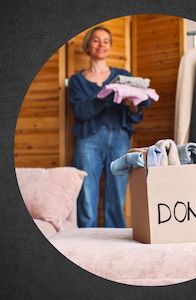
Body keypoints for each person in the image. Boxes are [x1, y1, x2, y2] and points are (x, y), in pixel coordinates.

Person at [68, 26, 151, 228]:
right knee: (87, 193)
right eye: (96, 40)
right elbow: (82, 112)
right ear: (88, 45)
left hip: (120, 139)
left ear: (110, 46)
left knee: (118, 192)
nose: (101, 44)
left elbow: (136, 115)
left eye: (106, 41)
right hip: (89, 140)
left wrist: (133, 107)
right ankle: (86, 241)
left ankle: (115, 241)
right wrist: (107, 95)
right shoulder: (77, 80)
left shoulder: (123, 76)